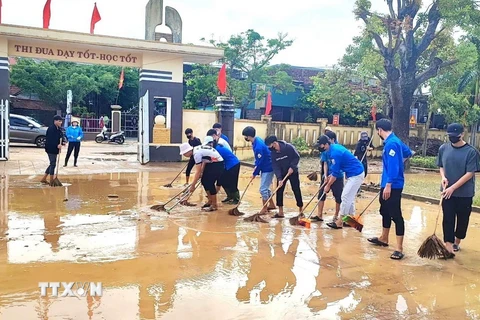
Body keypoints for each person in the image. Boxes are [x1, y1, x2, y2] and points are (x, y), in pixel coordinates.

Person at [367, 119, 413, 260]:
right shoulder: (394, 140)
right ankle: (384, 238)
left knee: (395, 215)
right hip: (385, 182)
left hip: (392, 185)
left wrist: (389, 184)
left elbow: (393, 166)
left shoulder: (392, 144)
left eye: (378, 131)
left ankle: (399, 248)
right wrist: (401, 161)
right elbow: (409, 152)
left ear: (380, 130)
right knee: (384, 211)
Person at [437, 123, 480, 257]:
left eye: (455, 136)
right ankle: (448, 247)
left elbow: (470, 173)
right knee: (448, 219)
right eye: (450, 136)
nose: (452, 138)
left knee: (462, 220)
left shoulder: (471, 152)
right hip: (446, 191)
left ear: (462, 134)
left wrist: (453, 188)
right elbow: (441, 166)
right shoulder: (443, 148)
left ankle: (457, 241)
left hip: (464, 194)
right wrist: (443, 177)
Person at [316, 135, 365, 230]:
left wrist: (328, 185)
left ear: (326, 145)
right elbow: (336, 169)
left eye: (320, 145)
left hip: (356, 174)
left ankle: (340, 222)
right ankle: (351, 221)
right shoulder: (332, 149)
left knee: (345, 196)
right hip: (352, 174)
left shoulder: (335, 153)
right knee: (349, 198)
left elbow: (335, 174)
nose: (319, 147)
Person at [178, 142, 224, 212]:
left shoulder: (196, 154)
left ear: (188, 151)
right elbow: (204, 161)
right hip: (211, 162)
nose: (184, 155)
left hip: (217, 163)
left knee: (209, 182)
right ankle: (210, 200)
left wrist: (193, 185)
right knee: (204, 181)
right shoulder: (196, 150)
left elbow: (197, 171)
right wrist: (202, 172)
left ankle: (214, 205)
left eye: (184, 153)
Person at [264, 135, 303, 218]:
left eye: (269, 146)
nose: (269, 148)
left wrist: (292, 167)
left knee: (296, 189)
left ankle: (301, 210)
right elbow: (275, 166)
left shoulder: (288, 147)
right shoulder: (273, 153)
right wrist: (279, 178)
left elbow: (297, 157)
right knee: (279, 190)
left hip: (292, 172)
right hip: (282, 173)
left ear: (274, 143)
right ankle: (280, 212)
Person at [311, 131, 344, 222]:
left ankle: (336, 215)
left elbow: (338, 169)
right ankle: (319, 215)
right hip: (328, 175)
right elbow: (325, 163)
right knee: (321, 194)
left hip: (337, 176)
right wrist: (325, 175)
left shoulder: (336, 150)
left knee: (338, 196)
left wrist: (329, 182)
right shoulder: (325, 150)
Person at [242, 126, 276, 213]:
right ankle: (271, 204)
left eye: (245, 136)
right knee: (266, 187)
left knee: (263, 189)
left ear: (248, 136)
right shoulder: (256, 141)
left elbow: (260, 162)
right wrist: (255, 169)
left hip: (268, 168)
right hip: (265, 166)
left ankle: (264, 208)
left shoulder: (258, 147)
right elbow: (258, 161)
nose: (245, 138)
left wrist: (255, 173)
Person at [204, 136, 241, 204]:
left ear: (212, 143)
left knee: (232, 183)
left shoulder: (217, 149)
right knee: (223, 181)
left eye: (209, 144)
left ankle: (236, 199)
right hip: (226, 165)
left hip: (233, 164)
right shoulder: (214, 148)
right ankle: (230, 196)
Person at [40, 115, 65, 185]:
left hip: (55, 149)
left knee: (52, 163)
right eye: (59, 121)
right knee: (53, 164)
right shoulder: (51, 129)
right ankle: (51, 181)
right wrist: (57, 145)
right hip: (50, 148)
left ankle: (44, 179)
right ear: (55, 121)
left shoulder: (59, 129)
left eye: (61, 121)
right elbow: (50, 140)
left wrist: (63, 142)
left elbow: (61, 137)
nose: (61, 122)